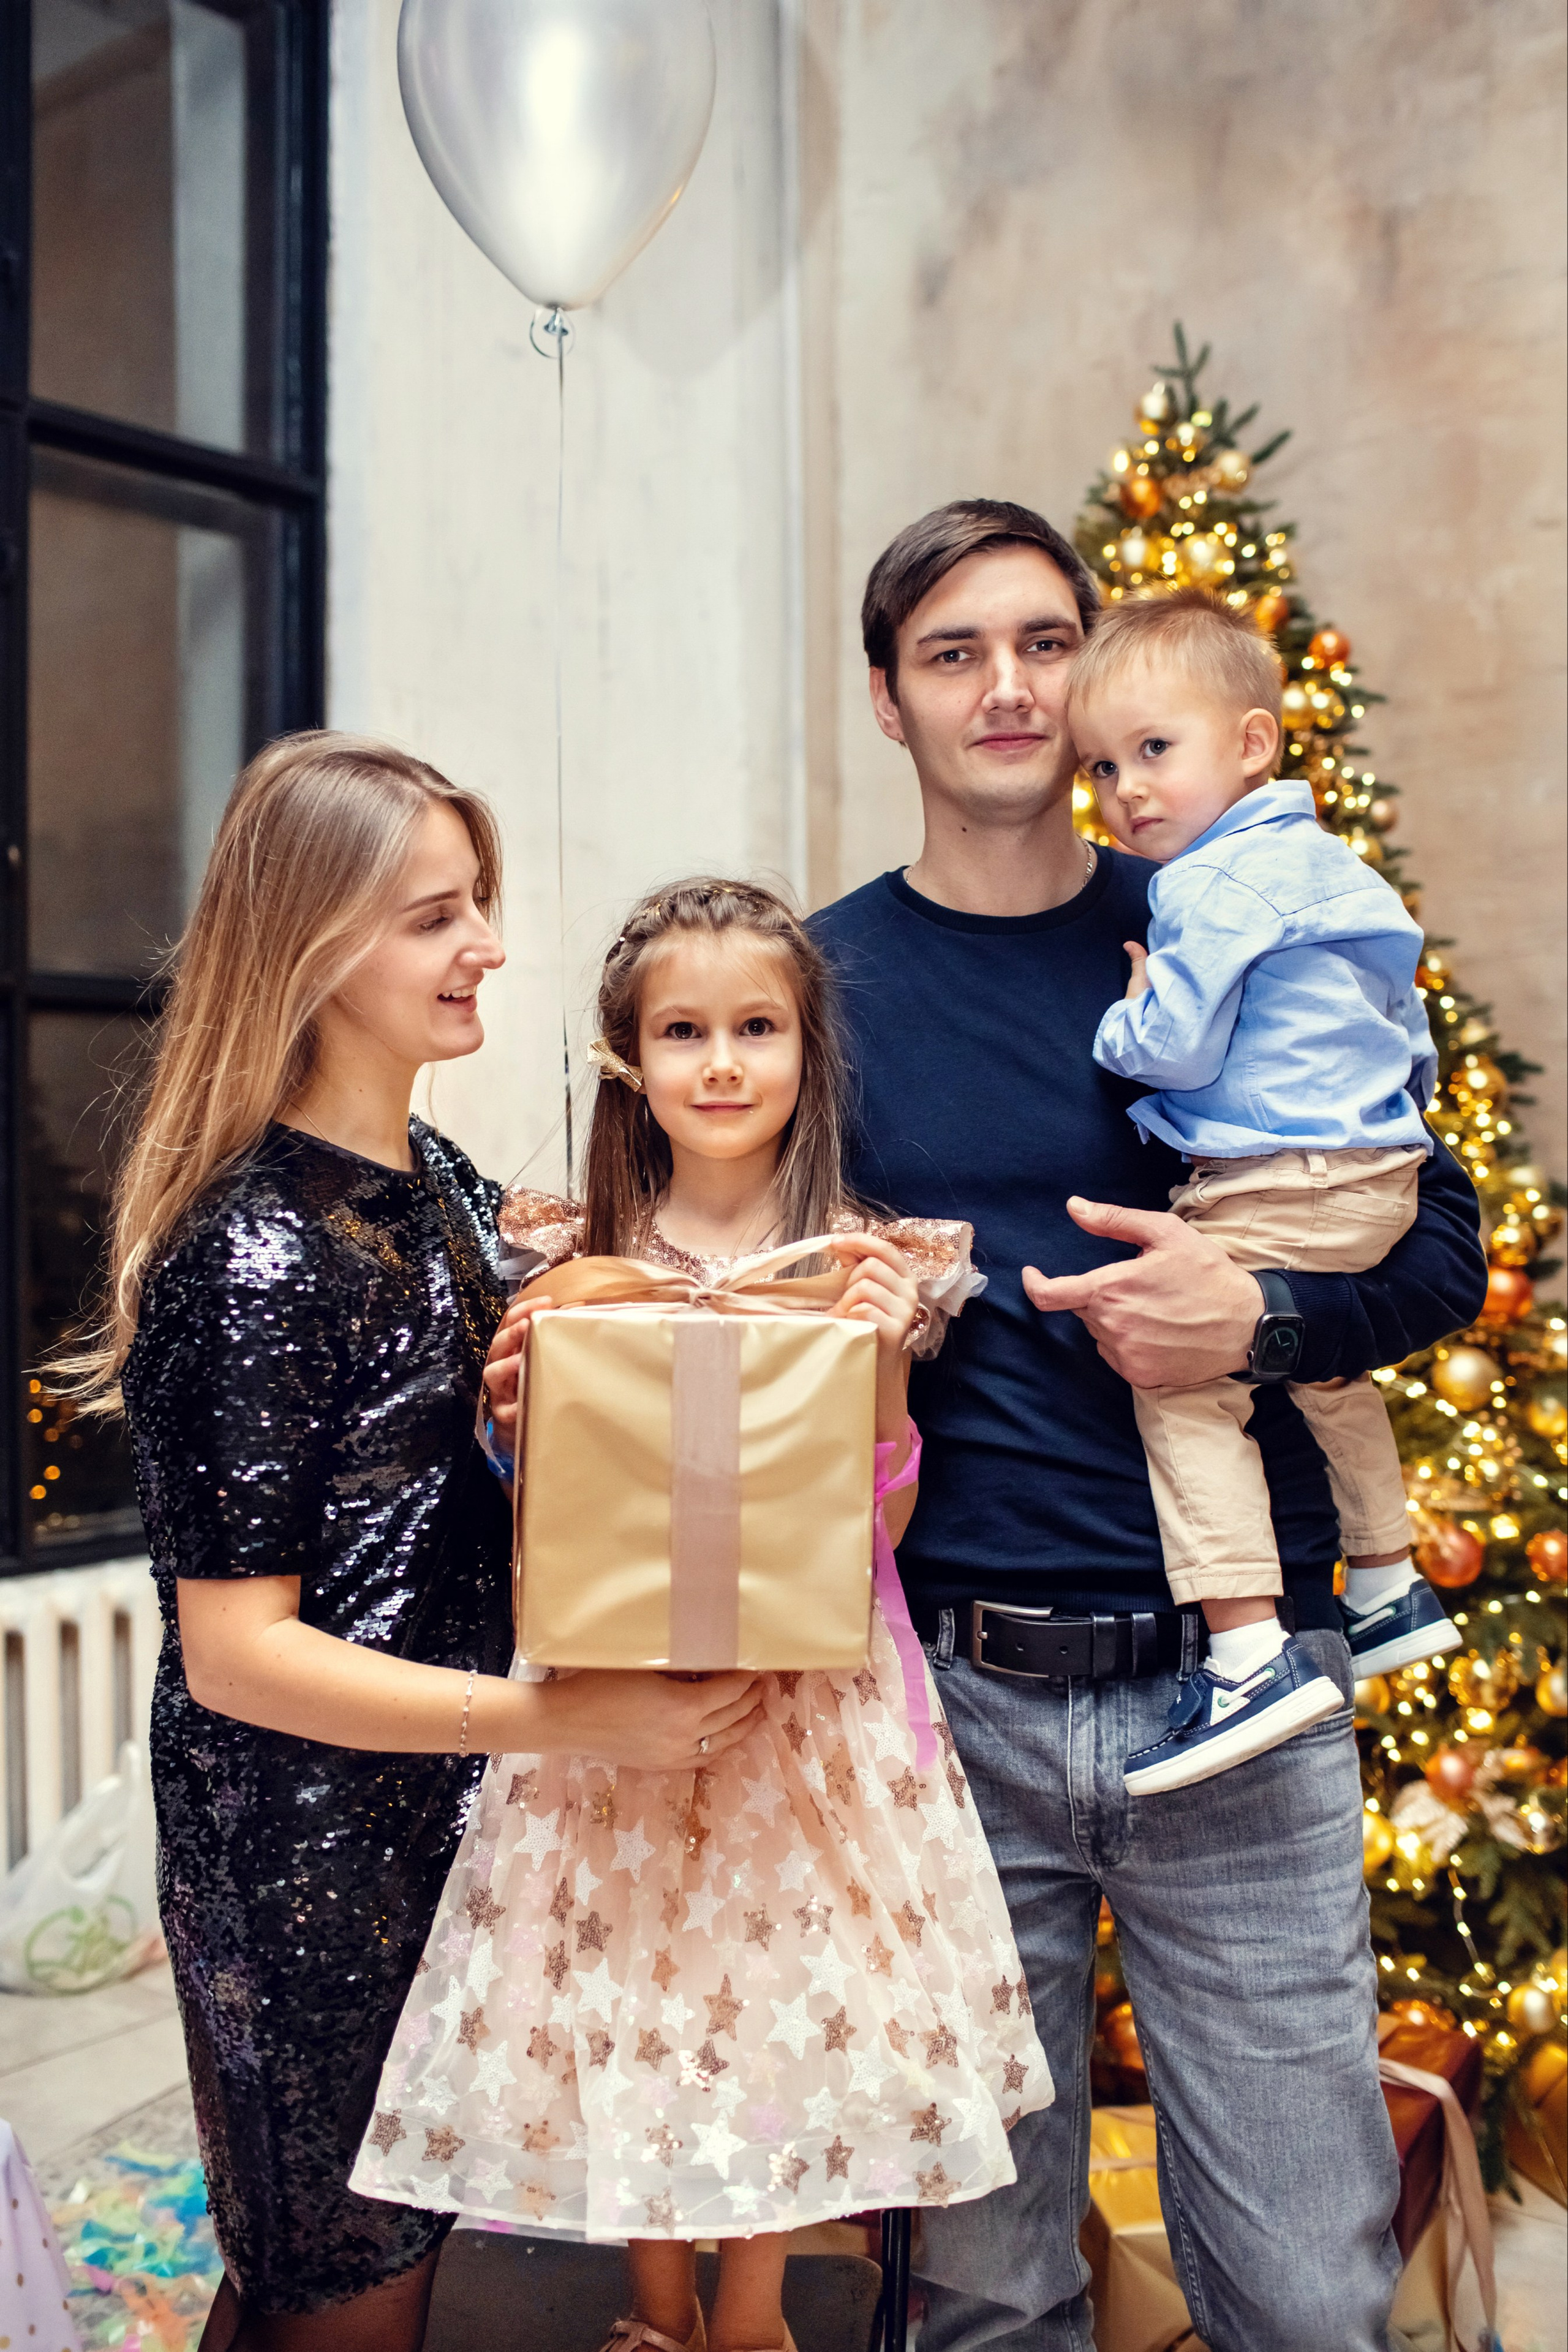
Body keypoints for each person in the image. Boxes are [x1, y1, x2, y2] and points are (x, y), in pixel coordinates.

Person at [807, 502, 1488, 2352]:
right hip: (949, 1709)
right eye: (954, 653)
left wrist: (1258, 1309)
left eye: (1046, 642)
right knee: (982, 2298)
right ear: (889, 703)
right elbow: (742, 1285)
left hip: (1243, 1696)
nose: (1011, 689)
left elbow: (1438, 1245)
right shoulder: (817, 987)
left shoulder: (1227, 913)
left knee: (1306, 2294)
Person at [78, 736, 760, 2352]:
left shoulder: (443, 1185)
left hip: (442, 1831)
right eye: (437, 918)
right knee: (343, 2295)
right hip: (307, 1870)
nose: (491, 949)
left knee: (355, 2282)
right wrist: (563, 1722)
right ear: (318, 948)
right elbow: (238, 1658)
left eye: (483, 905)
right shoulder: (250, 1251)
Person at [350, 877, 1052, 2352]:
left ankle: (753, 2314)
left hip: (809, 1705)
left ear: (808, 1050)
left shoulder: (869, 1260)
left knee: (771, 2008)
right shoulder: (565, 1252)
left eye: (756, 1027)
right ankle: (650, 2312)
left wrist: (871, 1372)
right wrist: (509, 1411)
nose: (721, 1063)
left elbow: (880, 1526)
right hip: (605, 1699)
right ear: (630, 1058)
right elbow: (538, 1508)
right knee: (632, 1998)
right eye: (683, 1031)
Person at [1071, 589, 1461, 1796]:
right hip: (1372, 1167)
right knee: (1322, 1368)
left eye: (1152, 750)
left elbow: (1177, 1047)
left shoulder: (1201, 885)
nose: (1126, 789)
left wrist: (1126, 1017)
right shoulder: (1332, 867)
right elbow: (1403, 1023)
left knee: (1182, 1385)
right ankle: (1389, 1582)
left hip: (1277, 1173)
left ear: (1249, 743)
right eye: (1102, 765)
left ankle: (1244, 1654)